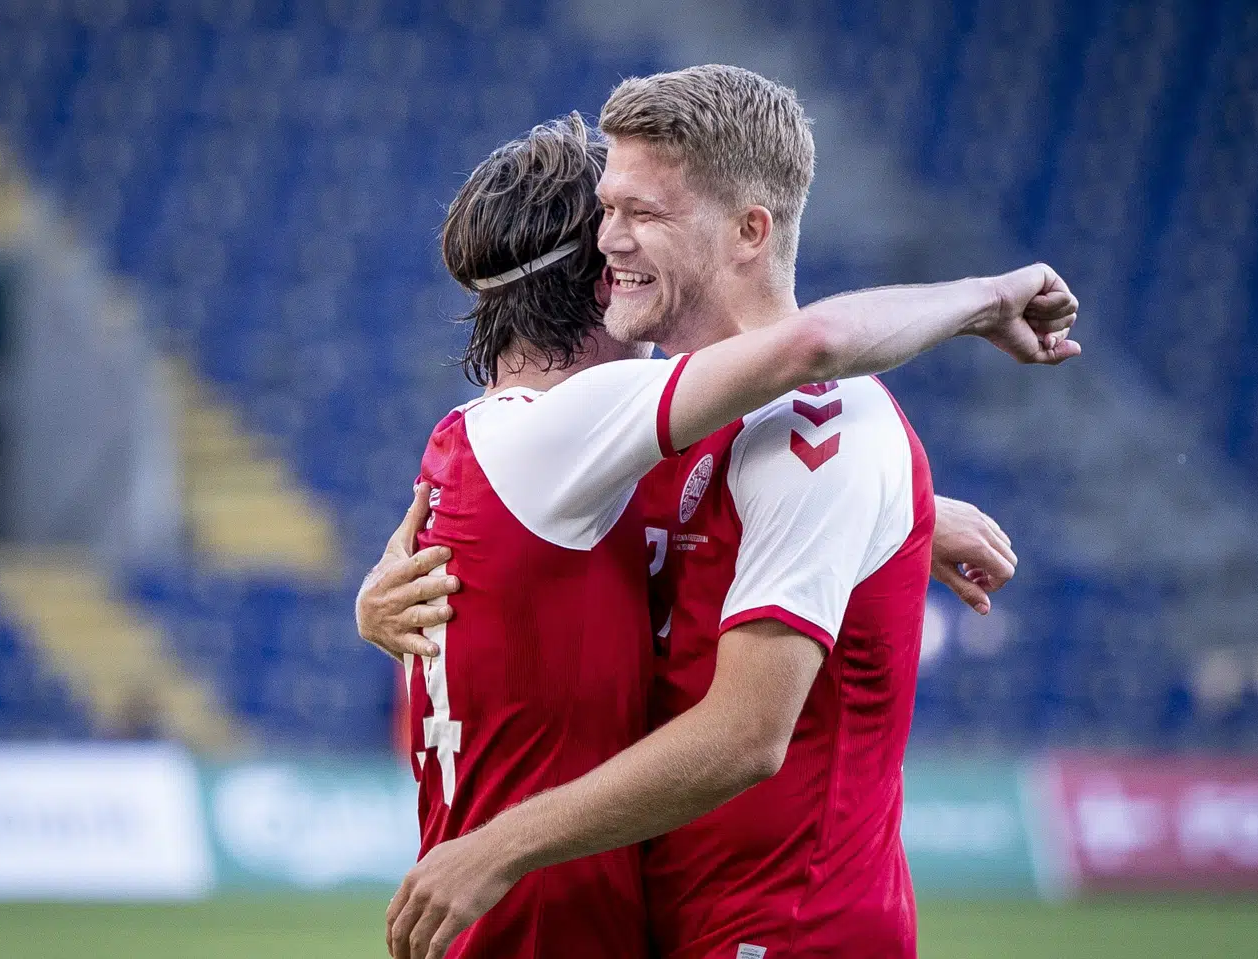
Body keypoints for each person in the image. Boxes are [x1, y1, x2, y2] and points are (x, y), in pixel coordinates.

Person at [370, 80, 1077, 959]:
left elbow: (747, 735)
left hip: (787, 932)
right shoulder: (624, 432)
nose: (613, 240)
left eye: (641, 213)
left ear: (749, 228)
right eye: (604, 214)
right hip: (666, 925)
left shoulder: (819, 426)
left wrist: (908, 499)